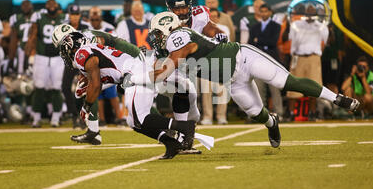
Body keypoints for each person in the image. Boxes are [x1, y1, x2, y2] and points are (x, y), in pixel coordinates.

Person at [142, 11, 360, 148]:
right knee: (257, 113)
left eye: (158, 34)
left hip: (244, 58)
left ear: (169, 29)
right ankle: (273, 123)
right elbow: (161, 67)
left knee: (287, 83)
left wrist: (140, 78)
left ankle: (337, 98)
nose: (157, 39)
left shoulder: (179, 37)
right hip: (233, 80)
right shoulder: (170, 49)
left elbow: (167, 69)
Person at [53, 26, 195, 159]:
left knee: (140, 118)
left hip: (134, 73)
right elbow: (103, 78)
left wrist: (86, 106)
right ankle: (171, 143)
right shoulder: (90, 50)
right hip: (131, 73)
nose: (64, 54)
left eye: (65, 50)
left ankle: (184, 127)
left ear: (72, 47)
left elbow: (96, 85)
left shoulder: (81, 53)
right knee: (133, 121)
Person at [165, 0, 229, 126]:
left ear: (190, 6)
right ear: (170, 9)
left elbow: (212, 29)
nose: (181, 12)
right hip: (175, 64)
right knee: (181, 92)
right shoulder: (165, 23)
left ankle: (184, 127)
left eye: (184, 8)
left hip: (198, 61)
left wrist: (219, 35)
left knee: (193, 96)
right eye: (177, 9)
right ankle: (175, 127)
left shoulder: (199, 15)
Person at [25, 0, 66, 127]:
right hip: (41, 56)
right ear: (45, 6)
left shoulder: (63, 18)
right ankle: (36, 118)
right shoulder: (38, 17)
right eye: (49, 4)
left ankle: (56, 117)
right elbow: (33, 34)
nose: (51, 6)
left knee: (57, 88)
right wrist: (28, 53)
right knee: (39, 87)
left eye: (53, 4)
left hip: (58, 57)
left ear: (58, 6)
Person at [286, 4, 329, 121]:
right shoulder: (296, 25)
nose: (310, 13)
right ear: (304, 12)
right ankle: (291, 113)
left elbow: (326, 41)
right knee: (293, 86)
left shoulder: (321, 26)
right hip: (298, 57)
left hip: (313, 58)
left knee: (314, 86)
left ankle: (312, 113)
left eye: (312, 11)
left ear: (315, 13)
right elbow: (290, 39)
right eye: (308, 10)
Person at [249, 4, 284, 119]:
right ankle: (261, 115)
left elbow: (273, 42)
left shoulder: (276, 26)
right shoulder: (254, 27)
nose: (264, 14)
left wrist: (258, 40)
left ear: (270, 12)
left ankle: (279, 113)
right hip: (257, 62)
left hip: (272, 61)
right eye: (262, 11)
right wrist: (262, 42)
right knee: (259, 89)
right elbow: (251, 44)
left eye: (266, 11)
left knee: (275, 89)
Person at [62, 4, 90, 128]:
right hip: (70, 61)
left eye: (76, 14)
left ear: (79, 15)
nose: (74, 17)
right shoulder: (65, 28)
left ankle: (83, 116)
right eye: (72, 14)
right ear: (69, 15)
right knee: (65, 87)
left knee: (83, 89)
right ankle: (74, 115)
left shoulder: (86, 27)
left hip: (83, 60)